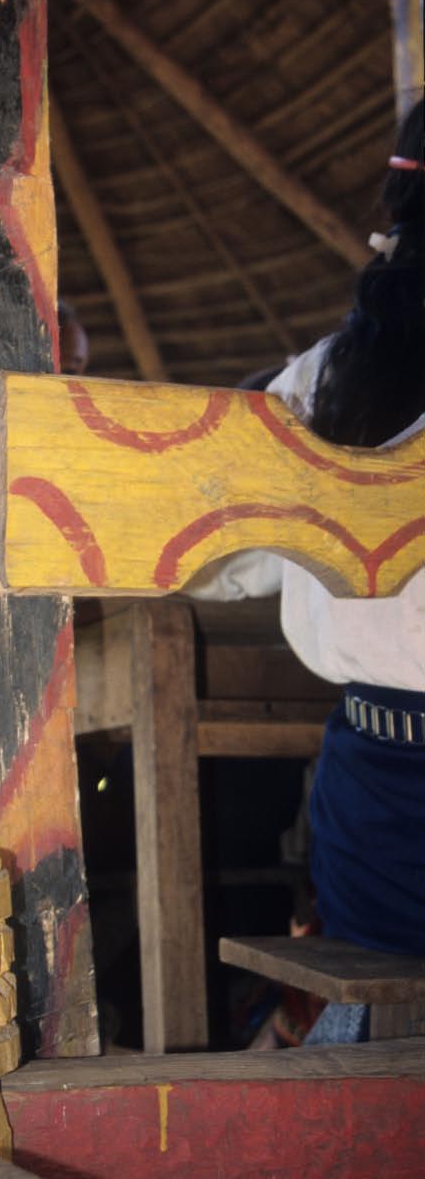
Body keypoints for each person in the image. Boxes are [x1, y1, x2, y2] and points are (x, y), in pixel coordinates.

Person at [191, 98, 425, 1040]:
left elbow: (216, 564)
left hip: (375, 793)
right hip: (376, 793)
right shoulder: (321, 380)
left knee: (383, 1022)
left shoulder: (323, 383)